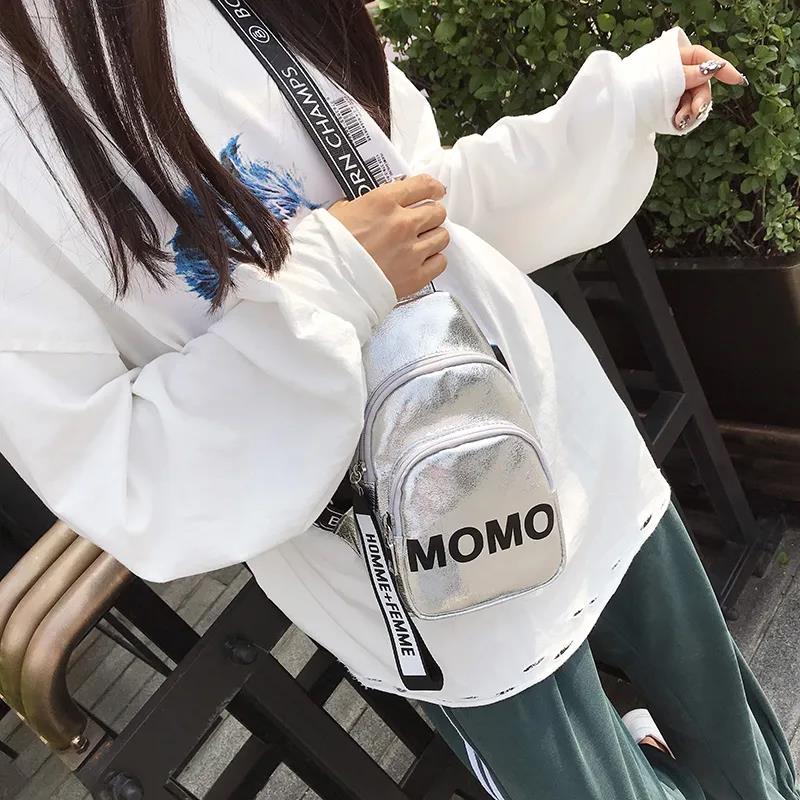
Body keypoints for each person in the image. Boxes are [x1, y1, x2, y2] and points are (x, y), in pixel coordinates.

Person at [0, 2, 795, 798]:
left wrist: (613, 111)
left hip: (559, 435)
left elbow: (431, 201)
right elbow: (112, 465)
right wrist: (336, 280)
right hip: (425, 569)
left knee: (743, 760)